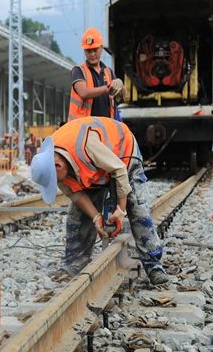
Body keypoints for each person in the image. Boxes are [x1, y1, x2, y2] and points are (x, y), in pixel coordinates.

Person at [30, 116, 168, 285]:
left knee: (137, 206)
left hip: (124, 152)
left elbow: (119, 169)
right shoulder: (55, 165)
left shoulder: (86, 147)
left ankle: (153, 265)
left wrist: (121, 210)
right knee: (76, 214)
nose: (56, 183)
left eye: (54, 180)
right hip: (96, 166)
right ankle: (74, 264)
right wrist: (97, 218)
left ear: (58, 166)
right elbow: (78, 196)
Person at [69, 27, 124, 122]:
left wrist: (120, 85)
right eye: (88, 51)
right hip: (85, 128)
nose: (92, 54)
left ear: (101, 48)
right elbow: (84, 93)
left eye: (95, 50)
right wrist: (108, 88)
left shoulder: (109, 72)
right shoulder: (78, 71)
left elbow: (121, 96)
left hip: (106, 126)